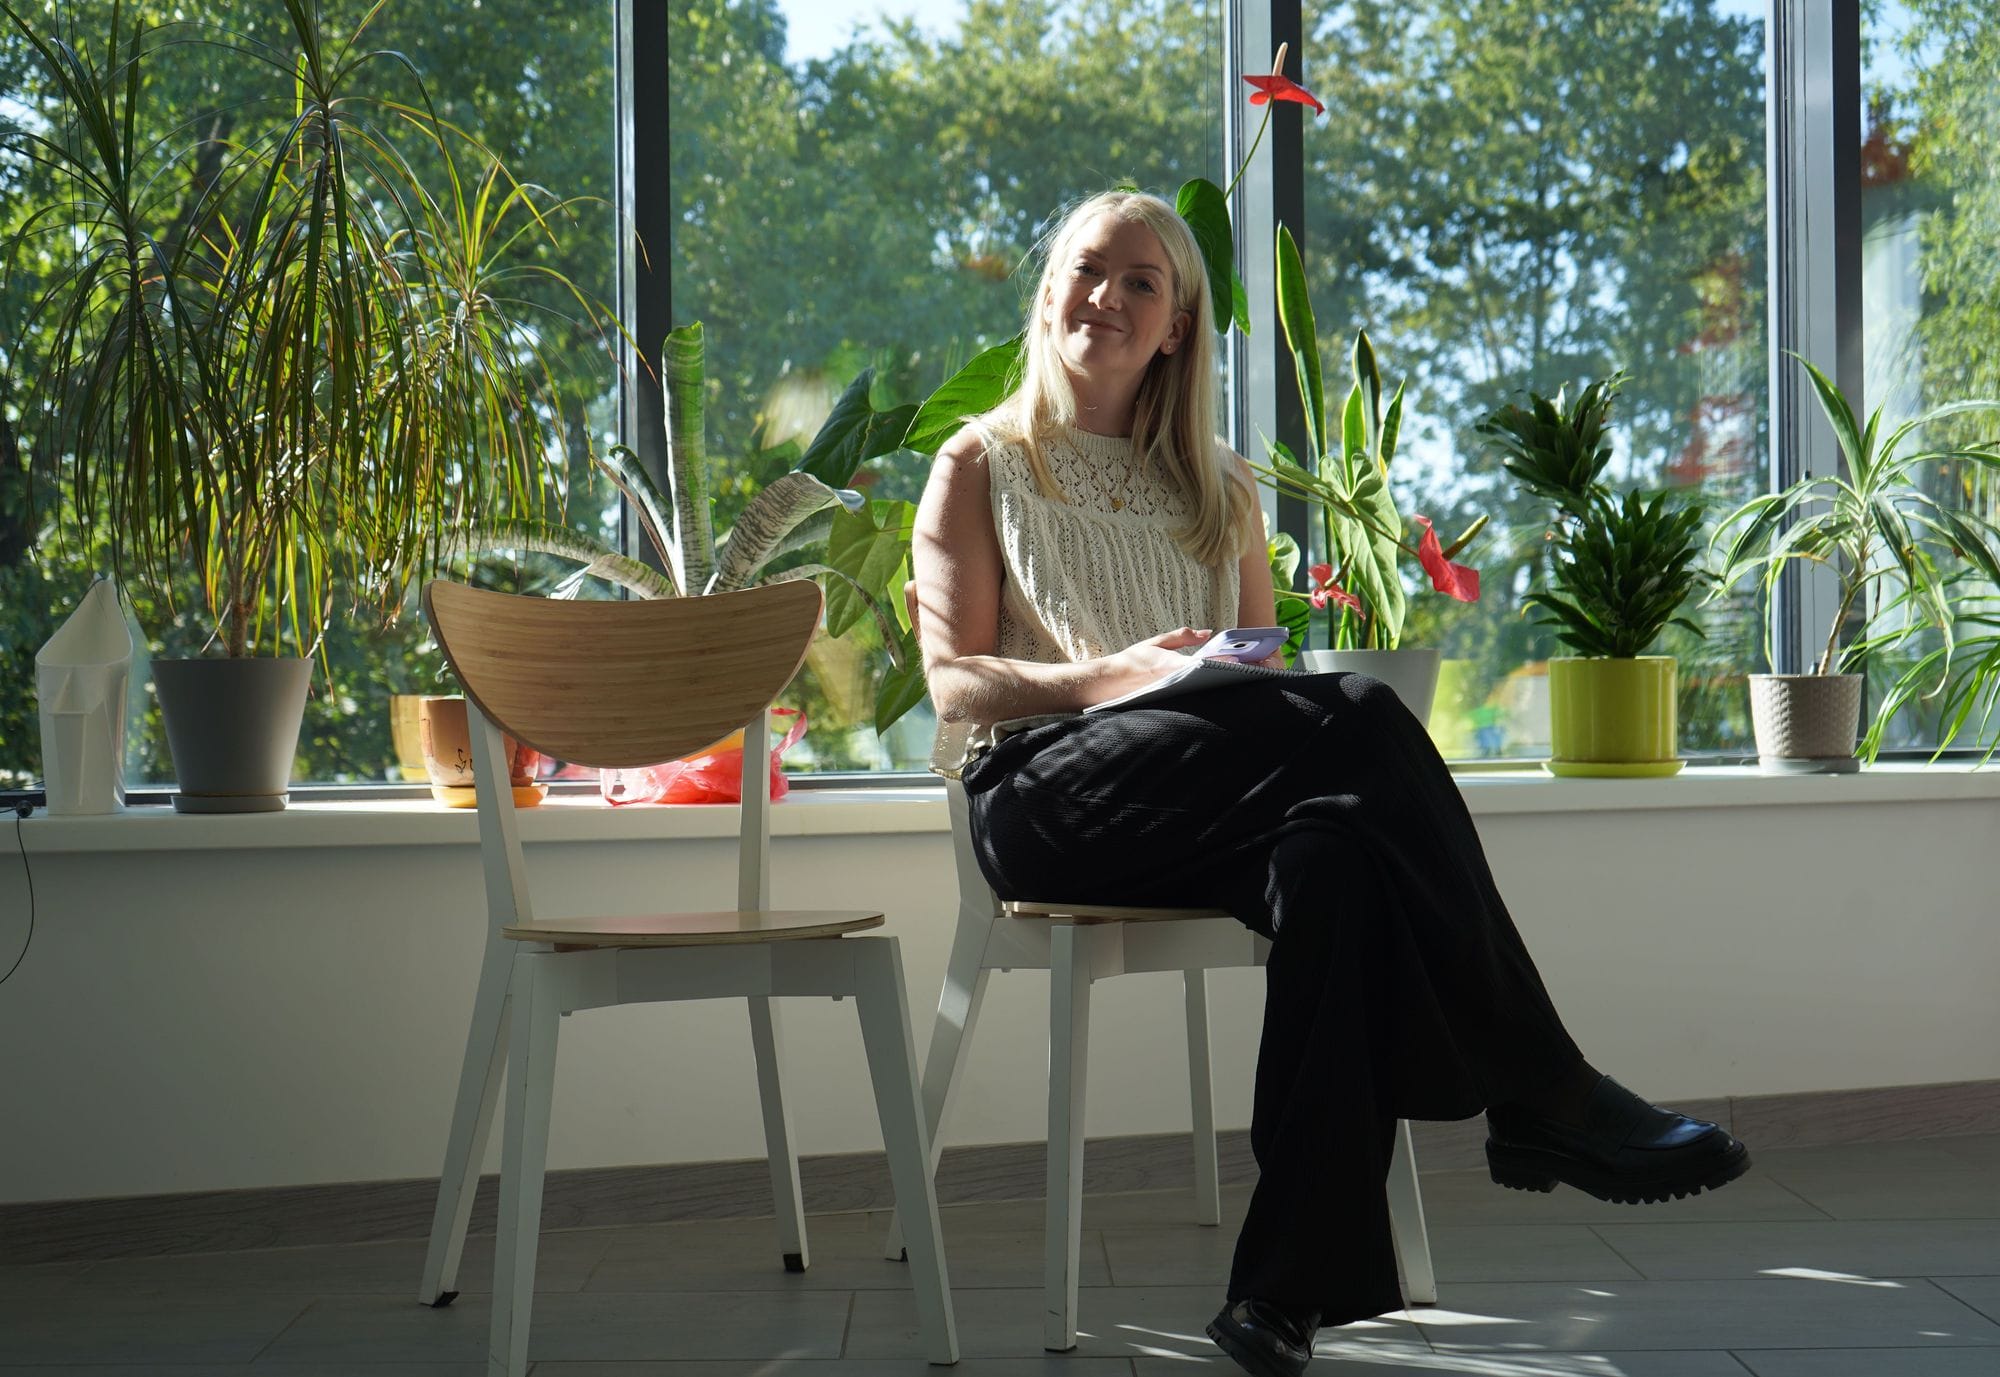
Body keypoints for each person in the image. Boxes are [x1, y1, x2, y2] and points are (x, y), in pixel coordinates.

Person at [909, 189, 1750, 1377]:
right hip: (1043, 798)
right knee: (1360, 710)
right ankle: (1545, 1091)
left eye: (1140, 281)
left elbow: (1259, 692)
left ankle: (1277, 1298)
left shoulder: (1218, 487)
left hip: (1197, 795)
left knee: (1337, 863)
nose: (1106, 295)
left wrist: (1195, 682)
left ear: (1175, 329)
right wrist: (1111, 677)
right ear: (1048, 291)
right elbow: (954, 692)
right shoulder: (976, 462)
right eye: (1088, 269)